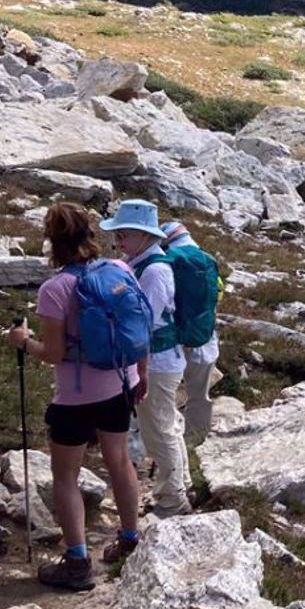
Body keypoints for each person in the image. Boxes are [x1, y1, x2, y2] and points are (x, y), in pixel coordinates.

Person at [8, 202, 145, 591]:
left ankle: (77, 561)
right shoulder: (120, 270)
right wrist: (141, 373)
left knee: (65, 475)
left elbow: (54, 353)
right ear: (91, 233)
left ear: (53, 241)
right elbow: (138, 326)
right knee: (120, 461)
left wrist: (22, 342)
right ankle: (130, 540)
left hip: (75, 395)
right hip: (120, 381)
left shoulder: (55, 289)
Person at [99, 200, 191, 518]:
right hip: (159, 360)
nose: (118, 242)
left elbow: (143, 323)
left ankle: (172, 500)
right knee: (166, 426)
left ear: (143, 235)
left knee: (158, 431)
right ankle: (179, 486)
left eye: (123, 235)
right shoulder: (140, 264)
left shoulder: (154, 272)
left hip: (158, 364)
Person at [160, 220, 222, 444]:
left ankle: (169, 443)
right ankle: (197, 440)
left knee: (167, 396)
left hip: (174, 342)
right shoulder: (208, 260)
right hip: (205, 338)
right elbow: (217, 296)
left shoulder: (168, 261)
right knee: (199, 396)